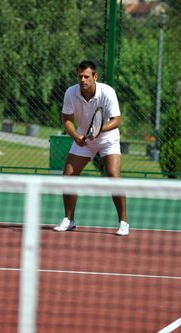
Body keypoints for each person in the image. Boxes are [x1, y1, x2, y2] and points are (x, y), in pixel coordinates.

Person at [53, 60, 129, 235]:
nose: (82, 80)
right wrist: (77, 137)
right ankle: (69, 219)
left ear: (95, 76)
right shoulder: (71, 93)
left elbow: (117, 121)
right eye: (80, 76)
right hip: (84, 138)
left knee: (113, 176)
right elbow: (67, 120)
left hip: (108, 139)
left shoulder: (107, 92)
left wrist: (98, 129)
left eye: (86, 76)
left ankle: (123, 222)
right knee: (68, 176)